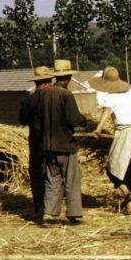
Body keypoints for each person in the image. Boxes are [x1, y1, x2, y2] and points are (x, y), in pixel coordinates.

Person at [39, 59, 89, 226]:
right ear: (67, 78)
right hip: (65, 145)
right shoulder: (66, 95)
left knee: (52, 180)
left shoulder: (45, 93)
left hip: (48, 145)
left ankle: (48, 215)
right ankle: (74, 214)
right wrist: (85, 120)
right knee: (71, 180)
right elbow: (73, 119)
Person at [90, 67, 131, 215]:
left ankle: (126, 194)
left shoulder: (111, 97)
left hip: (127, 134)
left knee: (112, 169)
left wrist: (98, 129)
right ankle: (129, 208)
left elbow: (106, 112)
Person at [18, 66, 55, 219]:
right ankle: (51, 205)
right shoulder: (54, 98)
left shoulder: (28, 100)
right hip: (53, 139)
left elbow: (22, 120)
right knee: (53, 172)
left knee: (36, 172)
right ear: (47, 82)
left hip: (35, 140)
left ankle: (39, 204)